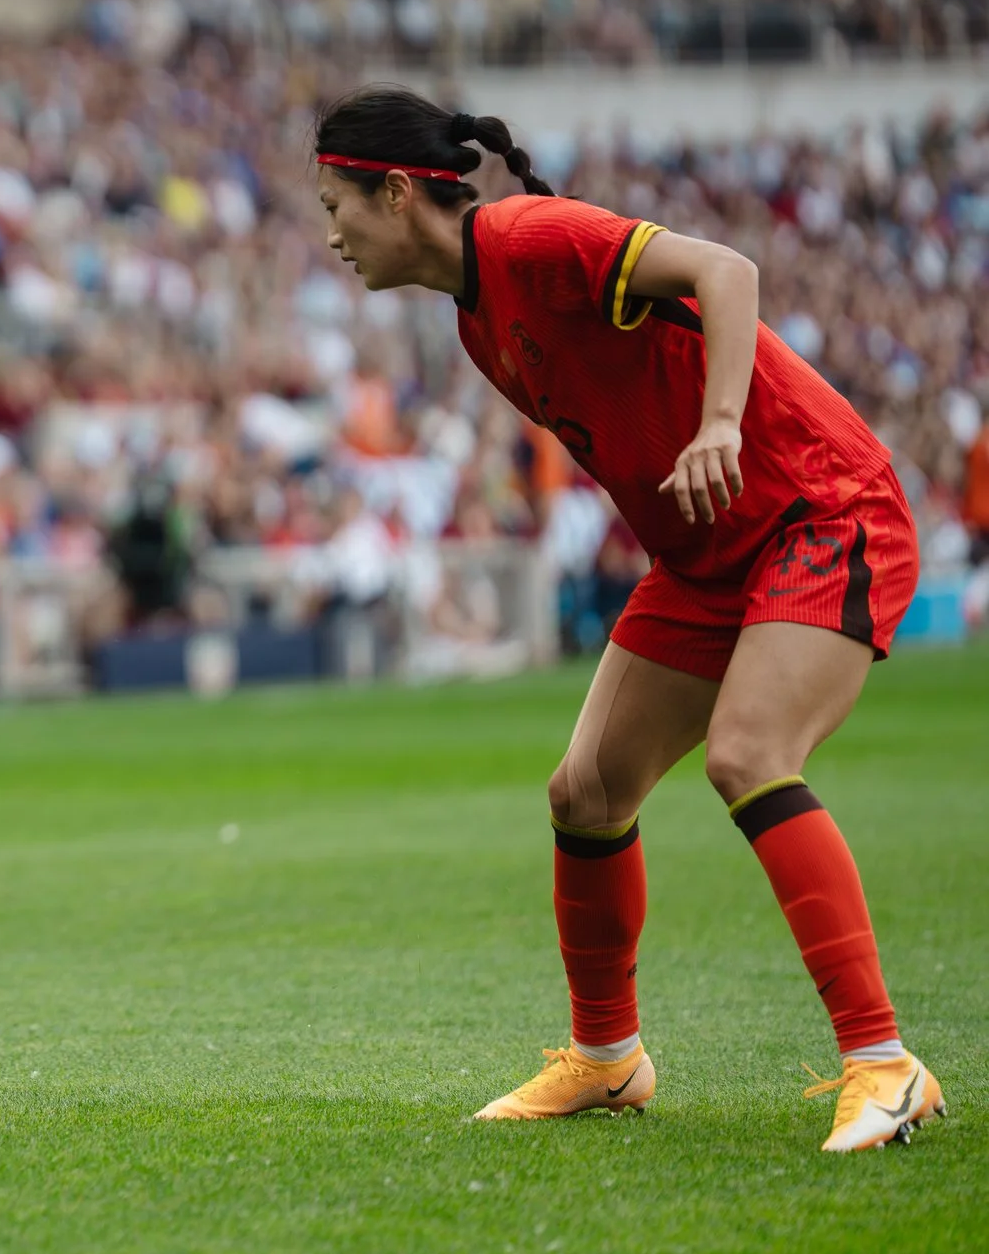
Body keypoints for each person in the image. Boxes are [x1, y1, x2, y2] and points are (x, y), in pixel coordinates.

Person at [312, 85, 941, 1153]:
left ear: (400, 192)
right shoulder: (474, 319)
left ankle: (884, 1063)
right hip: (706, 555)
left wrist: (722, 423)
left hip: (815, 507)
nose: (330, 234)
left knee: (748, 754)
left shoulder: (528, 235)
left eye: (336, 204)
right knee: (585, 789)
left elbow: (724, 270)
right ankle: (607, 1060)